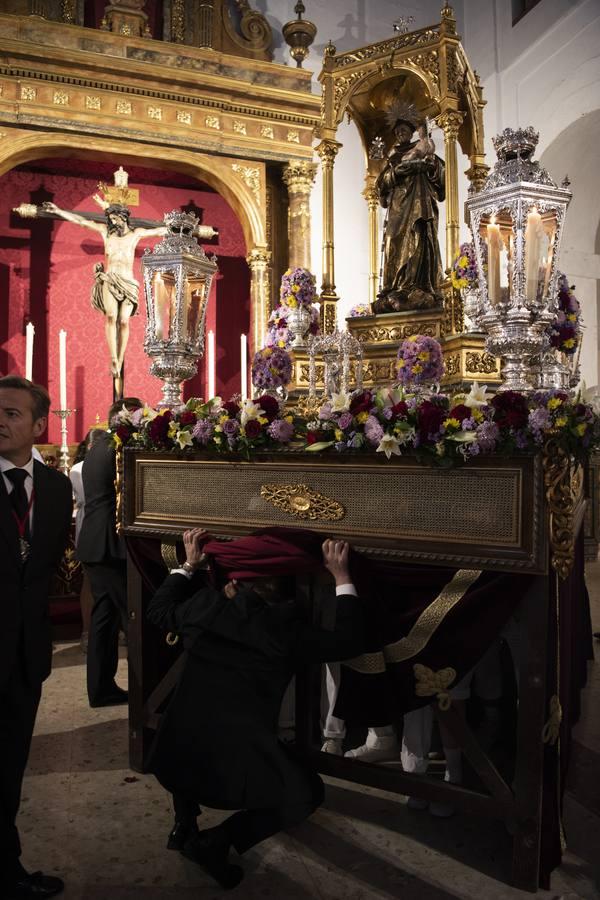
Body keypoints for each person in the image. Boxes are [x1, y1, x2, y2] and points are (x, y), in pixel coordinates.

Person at [147, 528, 365, 890]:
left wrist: (188, 565)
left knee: (190, 722)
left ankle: (184, 824)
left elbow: (158, 610)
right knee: (308, 794)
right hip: (236, 765)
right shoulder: (283, 631)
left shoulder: (204, 607)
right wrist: (342, 577)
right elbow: (349, 640)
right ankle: (217, 842)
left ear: (233, 584)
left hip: (175, 752)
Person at [0, 375, 72, 900]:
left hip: (26, 657)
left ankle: (7, 868)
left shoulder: (54, 487)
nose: (0, 422)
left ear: (40, 425)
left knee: (9, 771)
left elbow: (42, 570)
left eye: (11, 414)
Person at [41, 202, 167, 383]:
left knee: (124, 321)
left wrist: (179, 227)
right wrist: (59, 211)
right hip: (109, 279)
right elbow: (82, 222)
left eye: (115, 218)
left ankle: (120, 359)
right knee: (110, 317)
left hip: (128, 282)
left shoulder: (136, 234)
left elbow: (159, 231)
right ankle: (113, 359)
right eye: (110, 219)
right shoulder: (105, 232)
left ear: (123, 217)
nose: (112, 222)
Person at [77, 397, 142, 707]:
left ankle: (101, 688)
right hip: (107, 543)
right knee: (133, 617)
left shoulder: (97, 446)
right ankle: (147, 688)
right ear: (124, 419)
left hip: (93, 541)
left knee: (104, 619)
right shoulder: (116, 447)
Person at [373, 101, 445, 313]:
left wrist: (430, 164)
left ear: (412, 131)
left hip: (421, 206)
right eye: (397, 131)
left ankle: (418, 287)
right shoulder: (393, 159)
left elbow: (441, 180)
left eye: (404, 130)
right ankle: (395, 288)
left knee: (420, 240)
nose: (400, 134)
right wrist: (398, 172)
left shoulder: (424, 150)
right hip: (398, 209)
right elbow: (380, 185)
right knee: (395, 242)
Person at [69, 429, 105, 653]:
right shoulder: (77, 469)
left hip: (99, 522)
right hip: (90, 522)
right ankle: (87, 631)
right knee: (90, 581)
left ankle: (94, 631)